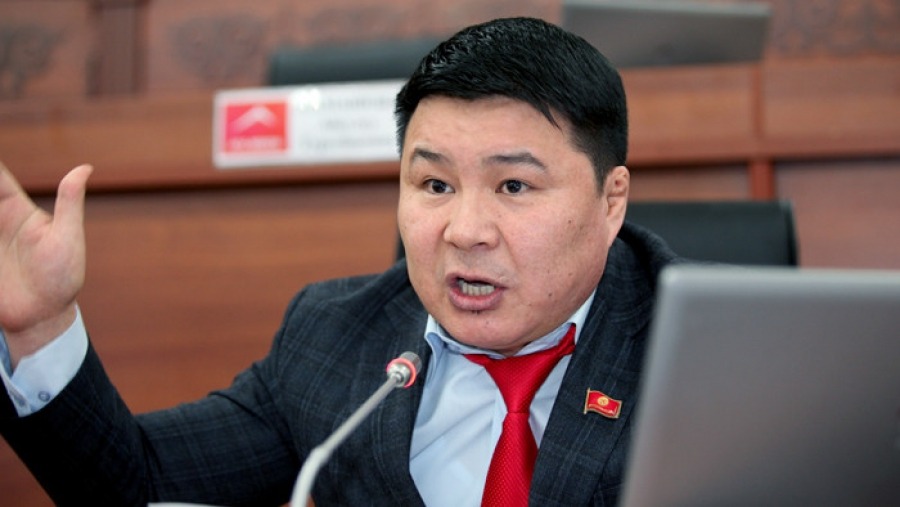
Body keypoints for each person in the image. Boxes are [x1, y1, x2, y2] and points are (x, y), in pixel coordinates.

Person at [0, 17, 680, 506]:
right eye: (435, 184)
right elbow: (140, 483)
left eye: (513, 186)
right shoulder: (335, 340)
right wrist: (41, 325)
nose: (465, 231)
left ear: (610, 201)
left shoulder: (698, 352)